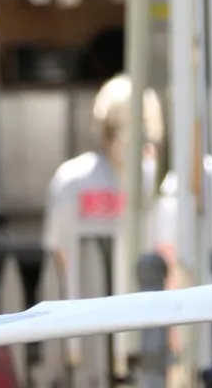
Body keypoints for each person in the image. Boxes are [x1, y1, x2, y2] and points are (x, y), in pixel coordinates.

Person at [41, 72, 169, 298]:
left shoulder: (71, 179)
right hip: (139, 311)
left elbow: (60, 254)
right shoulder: (156, 184)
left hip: (84, 316)